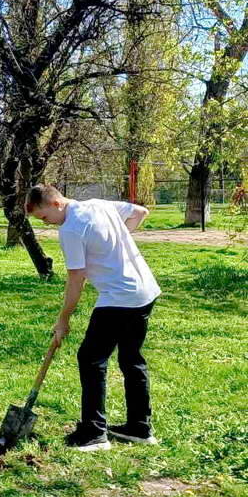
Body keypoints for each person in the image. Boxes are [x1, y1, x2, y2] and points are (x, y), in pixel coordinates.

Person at [26, 184, 161, 451]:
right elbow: (140, 212)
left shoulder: (71, 229)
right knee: (131, 359)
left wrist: (63, 320)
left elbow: (76, 279)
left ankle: (94, 433)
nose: (46, 223)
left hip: (120, 297)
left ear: (56, 204)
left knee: (91, 359)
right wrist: (114, 248)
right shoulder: (98, 204)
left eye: (44, 217)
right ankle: (139, 428)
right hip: (145, 291)